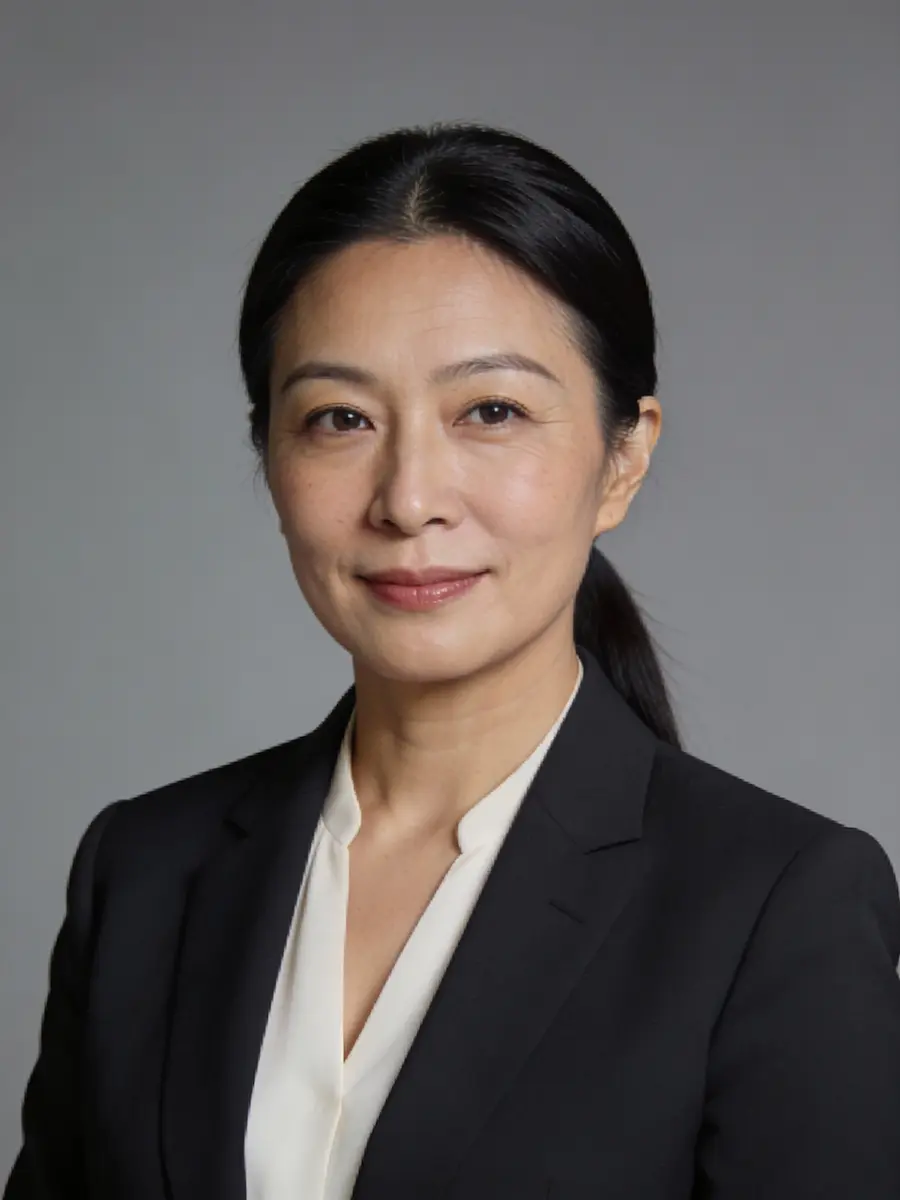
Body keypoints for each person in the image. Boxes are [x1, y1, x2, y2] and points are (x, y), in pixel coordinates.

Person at [5, 121, 900, 1200]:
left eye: (492, 411)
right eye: (339, 418)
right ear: (269, 453)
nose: (410, 498)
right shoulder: (144, 872)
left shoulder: (773, 907)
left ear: (624, 458)